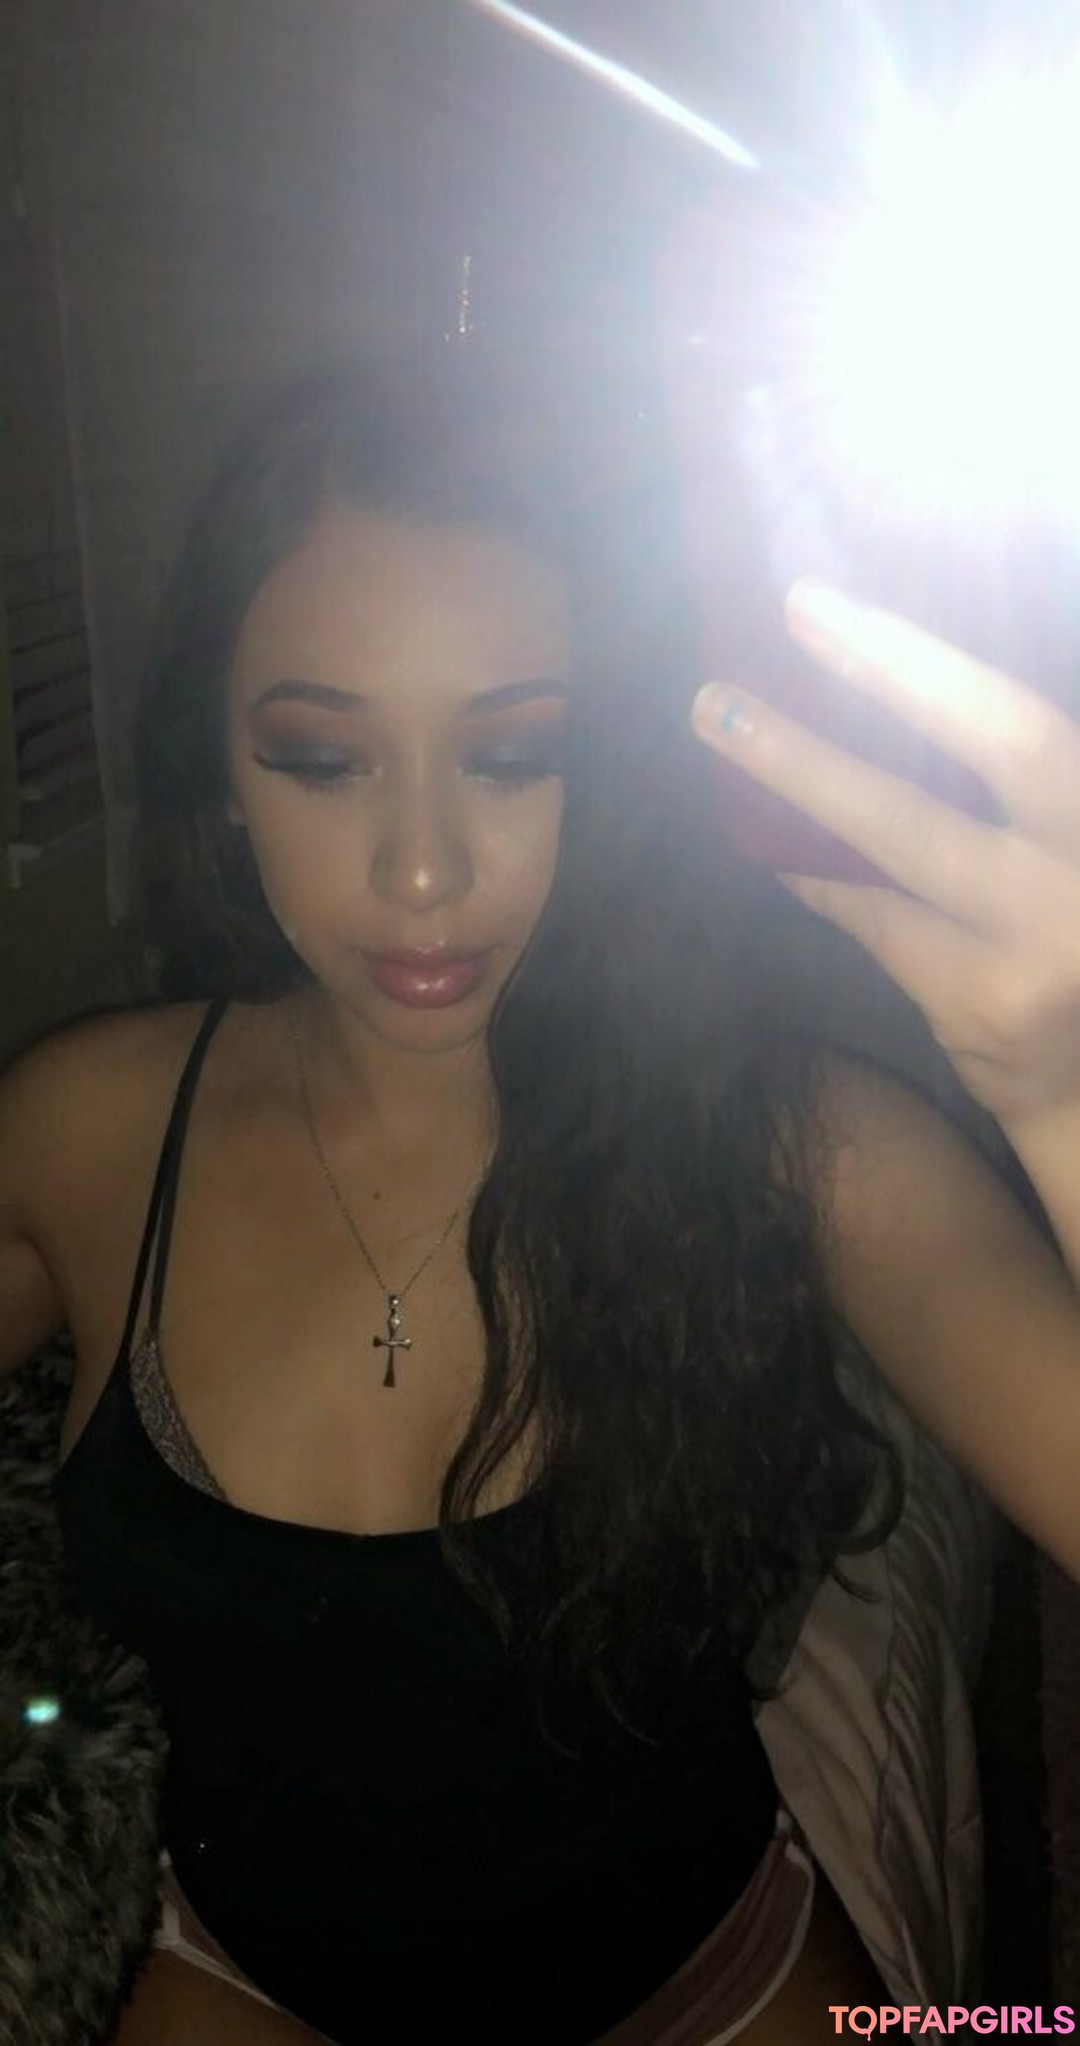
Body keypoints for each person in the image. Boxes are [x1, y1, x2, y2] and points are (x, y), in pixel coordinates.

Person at [0, 365, 1077, 2046]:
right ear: (217, 764)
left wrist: (1065, 1101)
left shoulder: (793, 1143)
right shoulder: (80, 1132)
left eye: (513, 754)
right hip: (244, 1980)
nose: (423, 869)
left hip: (705, 1984)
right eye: (323, 758)